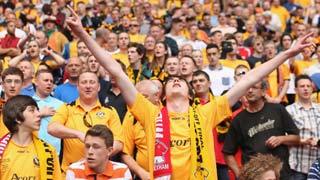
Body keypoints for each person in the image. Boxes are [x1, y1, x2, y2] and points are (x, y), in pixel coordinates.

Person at [65, 6, 313, 179]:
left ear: (190, 92)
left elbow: (250, 78)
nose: (175, 81)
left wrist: (287, 54)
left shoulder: (207, 112)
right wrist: (82, 34)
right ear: (162, 96)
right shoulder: (151, 114)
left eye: (179, 81)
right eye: (170, 81)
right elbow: (115, 71)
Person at [48, 71, 124, 174]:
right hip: (71, 172)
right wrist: (78, 134)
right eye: (84, 82)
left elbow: (118, 143)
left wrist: (94, 158)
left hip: (101, 173)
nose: (88, 86)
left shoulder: (109, 111)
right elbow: (52, 128)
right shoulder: (67, 108)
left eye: (92, 82)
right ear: (78, 87)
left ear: (98, 87)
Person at [223, 80, 300, 179]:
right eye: (247, 88)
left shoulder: (278, 109)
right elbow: (228, 153)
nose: (250, 91)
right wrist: (239, 175)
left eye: (254, 87)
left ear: (263, 91)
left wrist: (281, 139)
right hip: (254, 177)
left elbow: (297, 138)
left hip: (282, 174)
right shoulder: (238, 120)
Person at [0, 95, 61, 179]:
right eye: (32, 110)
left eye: (38, 110)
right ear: (18, 118)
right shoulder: (2, 149)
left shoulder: (49, 150)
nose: (39, 114)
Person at [285, 75, 320, 179]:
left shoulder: (319, 109)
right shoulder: (288, 110)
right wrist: (304, 141)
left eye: (308, 86)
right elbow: (284, 138)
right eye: (302, 86)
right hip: (298, 167)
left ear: (312, 89)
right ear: (295, 89)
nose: (306, 88)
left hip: (318, 166)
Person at [66, 125, 132, 179]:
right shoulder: (74, 170)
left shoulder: (122, 170)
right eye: (87, 146)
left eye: (96, 147)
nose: (90, 152)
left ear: (109, 151)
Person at [32, 69, 64, 154]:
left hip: (54, 153)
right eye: (46, 80)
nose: (49, 83)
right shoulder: (27, 102)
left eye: (51, 81)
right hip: (32, 151)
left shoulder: (61, 105)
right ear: (36, 82)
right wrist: (40, 114)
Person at [0, 67, 24, 137]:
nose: (12, 85)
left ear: (22, 84)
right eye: (9, 81)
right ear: (2, 84)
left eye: (17, 81)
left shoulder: (29, 107)